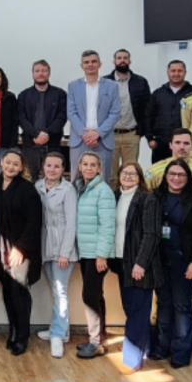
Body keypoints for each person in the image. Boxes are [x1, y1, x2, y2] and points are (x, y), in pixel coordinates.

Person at [150, 159, 192, 368]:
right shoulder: (156, 197)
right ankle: (161, 348)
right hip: (160, 259)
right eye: (172, 174)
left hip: (184, 261)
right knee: (163, 304)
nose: (176, 178)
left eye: (181, 175)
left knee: (182, 306)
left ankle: (181, 353)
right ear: (166, 176)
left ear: (188, 178)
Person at [0, 149, 41, 356]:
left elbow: (34, 223)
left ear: (21, 167)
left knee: (19, 293)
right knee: (7, 291)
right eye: (8, 162)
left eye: (15, 164)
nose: (11, 167)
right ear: (1, 162)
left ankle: (23, 336)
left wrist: (20, 249)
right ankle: (14, 331)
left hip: (19, 251)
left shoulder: (28, 190)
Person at [110, 162, 162, 373]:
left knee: (139, 309)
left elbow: (151, 234)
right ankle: (145, 347)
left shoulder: (147, 199)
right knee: (130, 307)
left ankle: (132, 358)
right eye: (125, 173)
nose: (128, 177)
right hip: (121, 261)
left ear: (140, 178)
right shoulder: (115, 197)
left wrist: (141, 263)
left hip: (140, 264)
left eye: (133, 174)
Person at [74, 151, 116, 359]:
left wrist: (102, 255)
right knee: (96, 296)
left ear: (99, 168)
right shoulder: (80, 188)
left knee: (90, 296)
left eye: (93, 165)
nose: (89, 168)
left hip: (96, 254)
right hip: (85, 251)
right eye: (85, 164)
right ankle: (98, 338)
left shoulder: (103, 190)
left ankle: (96, 342)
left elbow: (108, 226)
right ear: (80, 166)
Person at [35, 152, 77, 358]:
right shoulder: (37, 186)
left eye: (57, 166)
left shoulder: (68, 190)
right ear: (43, 167)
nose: (52, 170)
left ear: (63, 169)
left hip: (62, 249)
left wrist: (64, 253)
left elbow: (71, 223)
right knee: (54, 290)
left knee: (60, 292)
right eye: (49, 165)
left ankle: (58, 335)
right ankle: (61, 330)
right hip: (44, 246)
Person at [67, 50, 120, 183]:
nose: (90, 65)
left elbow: (115, 113)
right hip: (80, 141)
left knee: (102, 180)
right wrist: (85, 135)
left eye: (93, 61)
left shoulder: (112, 86)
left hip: (103, 140)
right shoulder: (73, 86)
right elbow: (71, 112)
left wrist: (98, 133)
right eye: (86, 62)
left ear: (100, 64)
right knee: (77, 180)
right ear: (82, 66)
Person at [103, 49, 150, 187]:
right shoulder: (104, 82)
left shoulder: (140, 82)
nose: (122, 60)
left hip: (131, 134)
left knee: (131, 173)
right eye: (119, 58)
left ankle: (130, 199)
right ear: (114, 61)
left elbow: (147, 108)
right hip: (110, 135)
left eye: (125, 58)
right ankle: (112, 199)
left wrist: (143, 132)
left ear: (130, 61)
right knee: (110, 175)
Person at [18, 60, 68, 181]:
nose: (40, 74)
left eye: (44, 71)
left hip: (52, 144)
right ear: (32, 73)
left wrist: (47, 134)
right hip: (30, 144)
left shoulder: (60, 94)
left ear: (49, 73)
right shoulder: (23, 95)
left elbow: (62, 117)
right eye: (37, 71)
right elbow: (21, 117)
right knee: (31, 179)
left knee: (52, 178)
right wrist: (35, 134)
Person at [145, 60, 192, 164]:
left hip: (185, 146)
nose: (176, 74)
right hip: (161, 145)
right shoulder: (158, 94)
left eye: (180, 71)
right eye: (173, 71)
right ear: (168, 72)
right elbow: (148, 116)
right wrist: (150, 138)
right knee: (160, 172)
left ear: (185, 72)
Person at [146, 128, 192, 197]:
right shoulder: (153, 171)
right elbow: (144, 196)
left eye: (186, 143)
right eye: (177, 142)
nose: (182, 147)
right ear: (170, 145)